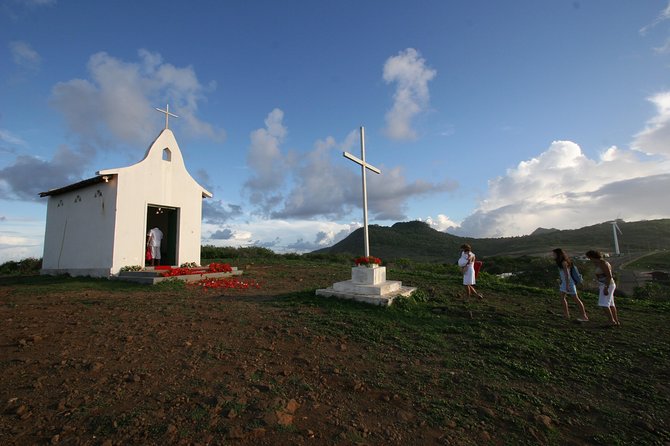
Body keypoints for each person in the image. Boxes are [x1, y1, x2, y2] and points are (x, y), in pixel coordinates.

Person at [552, 248, 589, 322]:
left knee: (576, 299)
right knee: (562, 298)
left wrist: (567, 285)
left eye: (554, 254)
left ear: (558, 254)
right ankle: (566, 314)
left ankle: (584, 316)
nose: (553, 255)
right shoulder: (560, 262)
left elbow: (567, 275)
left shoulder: (564, 262)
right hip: (565, 282)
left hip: (569, 283)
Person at [586, 250, 620, 326]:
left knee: (603, 303)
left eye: (589, 257)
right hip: (604, 284)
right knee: (610, 304)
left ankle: (611, 321)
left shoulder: (603, 263)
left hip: (608, 285)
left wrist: (606, 287)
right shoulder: (598, 263)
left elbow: (609, 276)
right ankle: (616, 321)